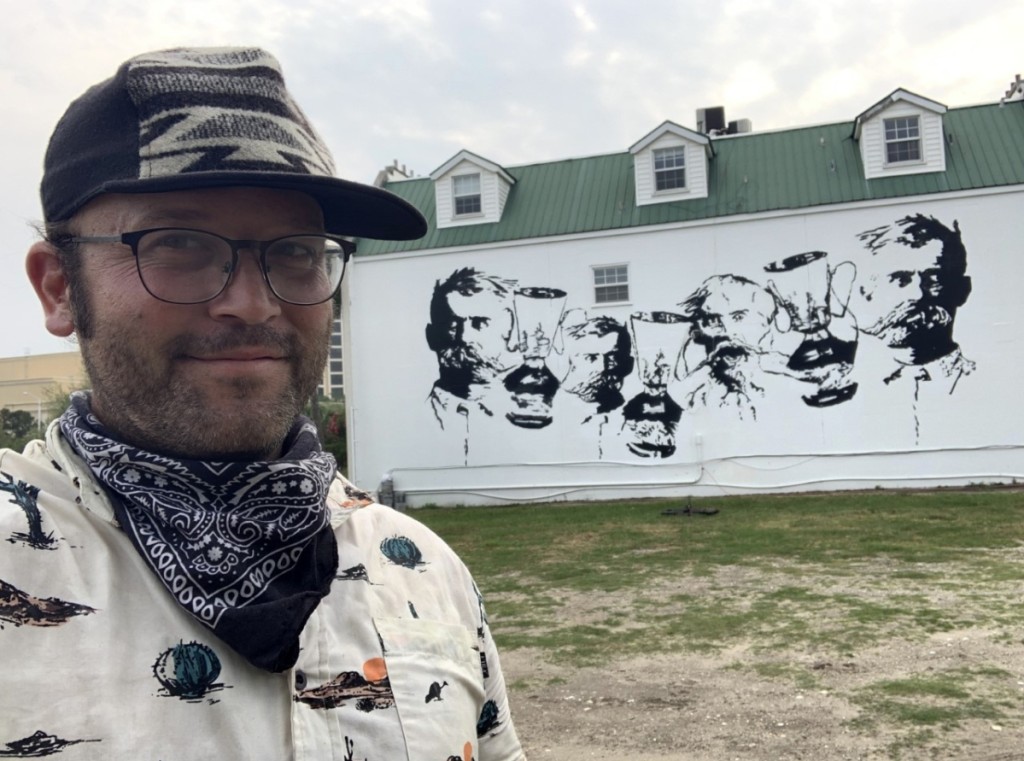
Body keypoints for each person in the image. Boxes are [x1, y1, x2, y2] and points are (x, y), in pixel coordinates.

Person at [0, 47, 524, 760]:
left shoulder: (423, 571)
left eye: (298, 250)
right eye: (178, 243)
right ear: (60, 287)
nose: (253, 303)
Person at [854, 214, 975, 394]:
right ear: (866, 292)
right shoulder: (858, 387)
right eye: (901, 280)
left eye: (933, 280)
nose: (917, 295)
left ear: (962, 290)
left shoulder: (985, 383)